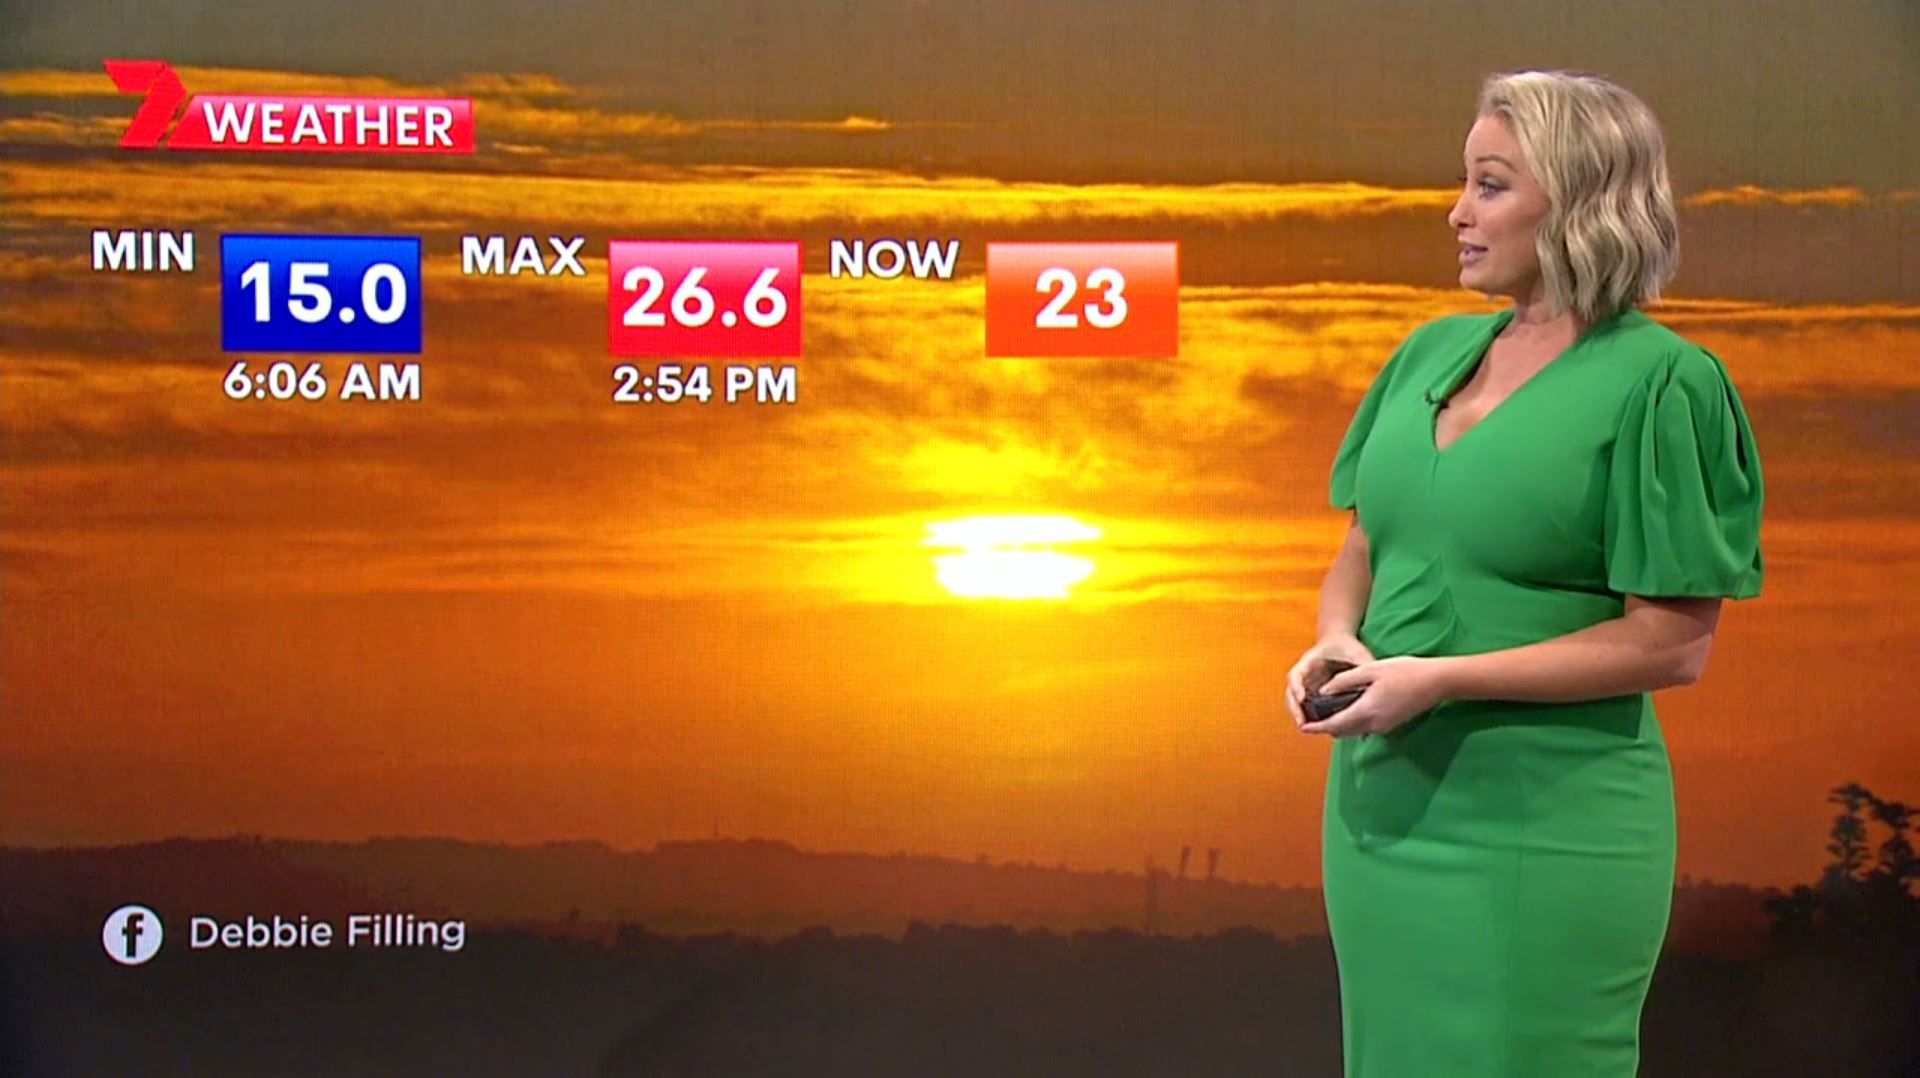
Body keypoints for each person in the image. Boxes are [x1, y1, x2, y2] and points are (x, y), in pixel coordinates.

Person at [1284, 70, 1765, 1077]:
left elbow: (1672, 643)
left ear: (1582, 201)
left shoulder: (1662, 382)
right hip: (1381, 818)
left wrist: (1441, 679)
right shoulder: (1426, 355)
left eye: (1490, 185)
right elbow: (1367, 546)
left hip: (1545, 826)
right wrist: (1335, 638)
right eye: (1464, 181)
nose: (1457, 212)